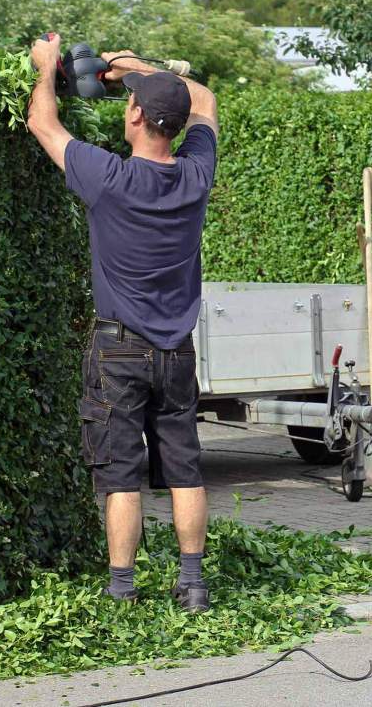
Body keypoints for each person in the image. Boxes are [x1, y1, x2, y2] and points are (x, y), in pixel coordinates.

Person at [27, 34, 218, 613]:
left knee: (120, 477)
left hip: (118, 351)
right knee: (184, 468)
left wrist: (44, 68)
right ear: (174, 126)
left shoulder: (106, 176)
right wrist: (135, 72)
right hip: (177, 351)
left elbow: (42, 121)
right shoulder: (195, 175)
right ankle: (192, 586)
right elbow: (203, 99)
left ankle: (122, 591)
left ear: (134, 116)